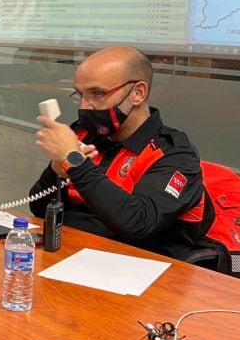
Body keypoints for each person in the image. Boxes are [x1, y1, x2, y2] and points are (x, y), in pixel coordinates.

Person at [31, 45, 211, 259]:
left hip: (141, 270)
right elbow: (40, 207)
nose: (85, 106)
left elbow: (137, 223)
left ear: (138, 93)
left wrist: (75, 162)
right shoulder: (84, 134)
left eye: (97, 94)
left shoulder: (176, 154)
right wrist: (56, 168)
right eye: (80, 94)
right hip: (73, 255)